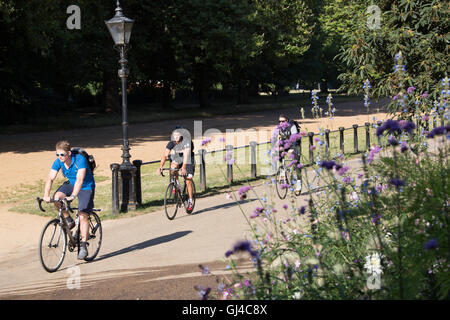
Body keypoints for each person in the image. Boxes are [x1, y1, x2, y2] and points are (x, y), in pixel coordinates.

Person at [43, 140, 95, 260]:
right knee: (57, 198)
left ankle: (83, 246)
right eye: (57, 154)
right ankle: (68, 219)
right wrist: (46, 195)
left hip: (86, 186)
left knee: (83, 215)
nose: (59, 157)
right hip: (71, 184)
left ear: (69, 153)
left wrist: (73, 196)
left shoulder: (79, 160)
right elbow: (50, 178)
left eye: (62, 154)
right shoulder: (58, 162)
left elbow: (80, 180)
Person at [157, 126, 195, 212]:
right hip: (179, 158)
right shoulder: (171, 143)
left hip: (188, 159)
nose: (176, 137)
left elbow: (186, 155)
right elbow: (165, 155)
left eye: (178, 135)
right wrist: (161, 166)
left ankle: (190, 201)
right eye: (174, 135)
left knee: (188, 180)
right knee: (173, 167)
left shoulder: (186, 141)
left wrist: (184, 167)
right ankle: (177, 184)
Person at [277, 114, 302, 192]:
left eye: (283, 121)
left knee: (296, 163)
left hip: (295, 145)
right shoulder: (279, 127)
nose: (281, 123)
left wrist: (292, 149)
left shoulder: (292, 126)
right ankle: (282, 171)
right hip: (286, 145)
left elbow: (295, 138)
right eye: (279, 121)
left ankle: (298, 183)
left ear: (287, 121)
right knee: (279, 153)